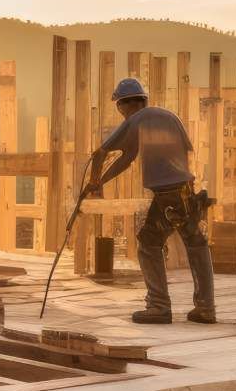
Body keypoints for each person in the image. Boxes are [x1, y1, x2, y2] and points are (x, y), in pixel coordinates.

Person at [86, 77, 217, 324]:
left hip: (167, 192)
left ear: (123, 105)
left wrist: (94, 183)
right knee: (197, 244)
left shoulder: (137, 118)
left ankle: (158, 306)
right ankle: (206, 308)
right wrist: (102, 180)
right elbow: (128, 156)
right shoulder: (168, 117)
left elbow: (100, 153)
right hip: (186, 189)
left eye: (120, 107)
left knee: (148, 243)